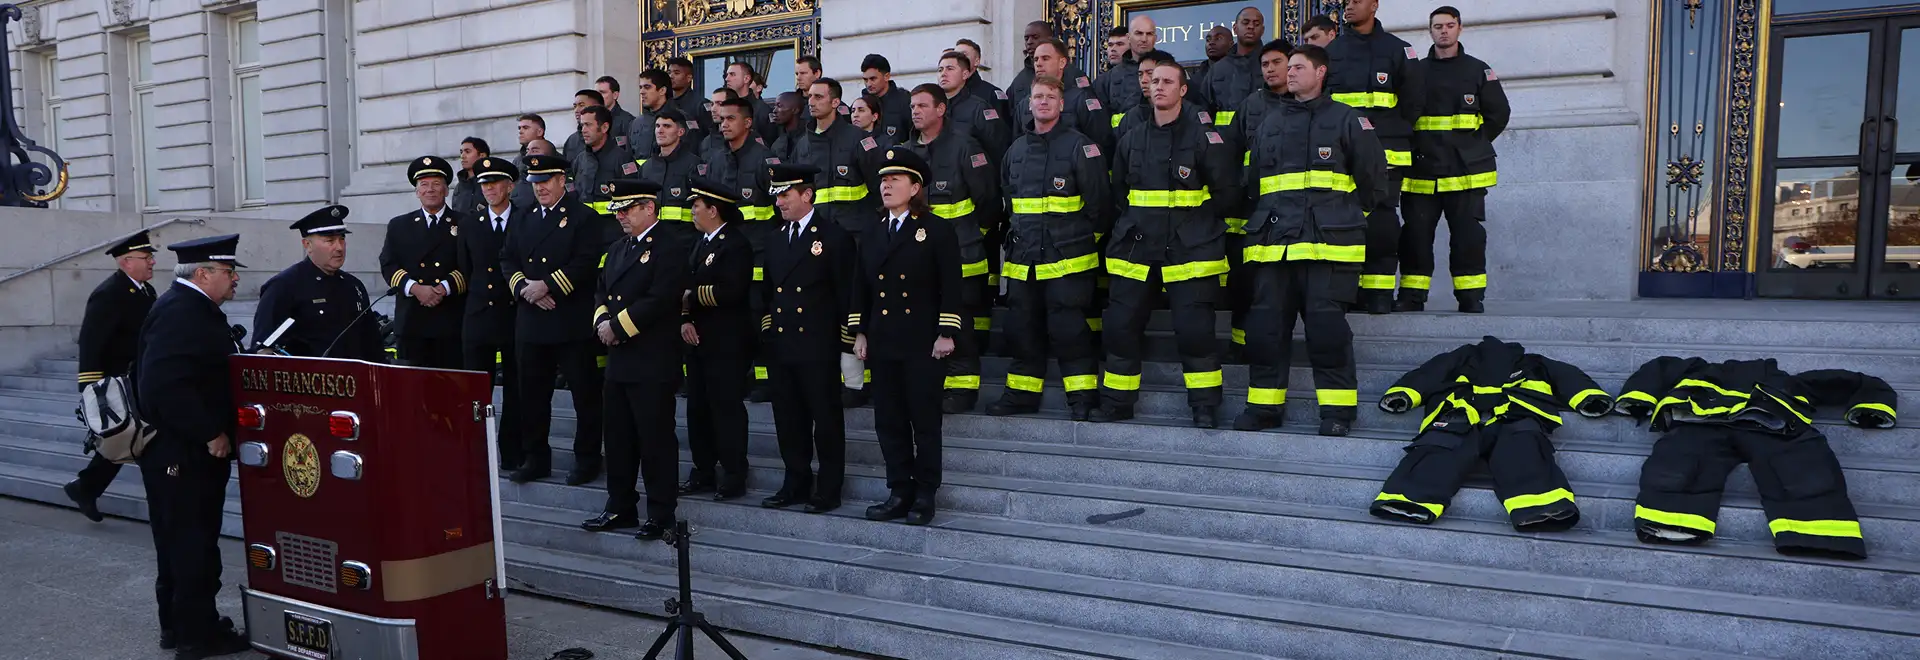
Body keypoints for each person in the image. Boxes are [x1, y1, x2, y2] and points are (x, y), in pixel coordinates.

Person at [1234, 44, 1387, 437]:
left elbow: (1373, 180)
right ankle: (1264, 408)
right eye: (1289, 68)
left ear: (1320, 73)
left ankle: (1337, 413)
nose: (1290, 73)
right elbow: (1255, 182)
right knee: (1266, 330)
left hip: (1328, 248)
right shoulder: (1268, 121)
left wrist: (1345, 220)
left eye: (1298, 67)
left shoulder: (1347, 119)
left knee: (1326, 331)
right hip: (1273, 246)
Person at [1092, 59, 1239, 429]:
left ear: (1183, 89)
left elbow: (1226, 194)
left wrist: (1198, 229)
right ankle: (1117, 402)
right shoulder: (1131, 138)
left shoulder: (1206, 138)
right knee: (1121, 327)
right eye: (1153, 80)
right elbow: (1121, 192)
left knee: (1195, 332)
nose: (1158, 87)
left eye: (1167, 81)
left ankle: (1204, 406)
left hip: (1191, 250)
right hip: (1136, 248)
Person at [136, 234, 249, 658]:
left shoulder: (189, 307)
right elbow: (163, 386)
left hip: (180, 450)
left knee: (181, 542)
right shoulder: (183, 311)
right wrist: (210, 432)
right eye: (227, 272)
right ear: (202, 274)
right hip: (183, 453)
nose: (234, 279)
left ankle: (180, 626)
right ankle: (196, 636)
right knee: (191, 545)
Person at [849, 148, 962, 526]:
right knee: (889, 421)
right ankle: (899, 489)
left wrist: (946, 331)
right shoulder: (874, 230)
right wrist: (860, 330)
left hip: (921, 340)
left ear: (915, 187)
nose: (886, 185)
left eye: (895, 180)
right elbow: (861, 285)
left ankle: (925, 492)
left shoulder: (936, 229)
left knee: (924, 422)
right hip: (883, 340)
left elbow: (952, 286)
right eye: (883, 180)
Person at [989, 75, 1109, 421]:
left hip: (1068, 262)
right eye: (1037, 96)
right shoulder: (1016, 151)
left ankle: (1083, 397)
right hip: (1024, 261)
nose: (1042, 102)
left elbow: (1099, 206)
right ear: (1029, 103)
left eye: (1050, 97)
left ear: (1061, 104)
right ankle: (1021, 396)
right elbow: (1008, 202)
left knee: (1069, 332)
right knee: (1021, 330)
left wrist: (1080, 242)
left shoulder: (1080, 147)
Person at [583, 179, 693, 540]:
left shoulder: (670, 246)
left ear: (649, 207)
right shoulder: (618, 248)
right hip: (619, 359)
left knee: (655, 439)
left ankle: (660, 512)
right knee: (617, 437)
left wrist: (618, 326)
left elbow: (661, 298)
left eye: (627, 209)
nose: (621, 216)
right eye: (617, 209)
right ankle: (620, 505)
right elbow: (602, 289)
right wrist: (602, 321)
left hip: (651, 358)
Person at [1396, 6, 1509, 314]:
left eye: (1449, 25)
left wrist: (1474, 146)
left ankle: (1471, 298)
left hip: (1466, 172)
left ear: (1460, 28)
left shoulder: (1478, 70)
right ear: (1429, 31)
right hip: (1422, 169)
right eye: (1437, 26)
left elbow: (1499, 114)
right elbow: (1402, 115)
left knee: (1468, 238)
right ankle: (1411, 296)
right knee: (1415, 237)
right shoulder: (1414, 72)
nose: (1443, 31)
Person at [503, 154, 607, 485]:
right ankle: (536, 457)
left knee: (585, 396)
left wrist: (547, 285)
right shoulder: (522, 217)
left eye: (546, 180)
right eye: (535, 182)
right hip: (532, 319)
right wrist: (524, 288)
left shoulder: (583, 216)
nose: (540, 188)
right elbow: (507, 258)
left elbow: (587, 261)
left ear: (562, 180)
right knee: (532, 396)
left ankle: (588, 458)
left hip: (570, 320)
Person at [762, 163, 856, 512]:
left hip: (819, 344)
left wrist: (847, 345)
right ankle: (795, 480)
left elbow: (845, 294)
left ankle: (829, 487)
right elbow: (769, 293)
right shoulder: (774, 239)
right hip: (784, 344)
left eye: (786, 195)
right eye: (777, 196)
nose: (780, 203)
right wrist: (769, 332)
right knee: (788, 418)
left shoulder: (833, 237)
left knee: (825, 420)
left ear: (807, 194)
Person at [902, 82, 1001, 414]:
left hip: (963, 256)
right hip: (918, 261)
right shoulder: (905, 154)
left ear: (941, 109)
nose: (915, 111)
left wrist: (974, 234)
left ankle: (962, 390)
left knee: (961, 326)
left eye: (922, 105)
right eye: (912, 106)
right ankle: (932, 385)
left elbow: (987, 201)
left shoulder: (964, 147)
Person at [1328, 0, 1426, 313]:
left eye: (1357, 1)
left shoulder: (1400, 50)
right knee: (1343, 221)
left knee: (1383, 222)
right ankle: (1348, 291)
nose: (1349, 6)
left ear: (1374, 5)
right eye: (1346, 2)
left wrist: (1393, 130)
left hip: (1388, 149)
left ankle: (1380, 291)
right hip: (1341, 153)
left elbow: (1413, 102)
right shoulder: (1332, 51)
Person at [64, 231, 158, 523]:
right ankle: (87, 487)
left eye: (151, 256)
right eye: (146, 258)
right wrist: (92, 388)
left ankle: (85, 487)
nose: (152, 262)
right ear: (126, 262)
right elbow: (92, 342)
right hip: (118, 383)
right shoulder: (109, 294)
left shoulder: (145, 291)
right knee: (124, 437)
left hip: (140, 378)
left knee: (133, 438)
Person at [676, 178, 755, 501]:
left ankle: (734, 472)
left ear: (713, 209)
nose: (692, 211)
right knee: (698, 408)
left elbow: (732, 291)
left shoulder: (735, 244)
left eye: (697, 206)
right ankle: (703, 469)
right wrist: (684, 318)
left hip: (726, 340)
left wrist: (689, 298)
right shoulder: (700, 243)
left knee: (726, 408)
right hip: (697, 340)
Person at [700, 96, 780, 401]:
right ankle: (741, 374)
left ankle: (764, 379)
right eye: (721, 120)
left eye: (730, 119)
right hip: (725, 255)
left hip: (758, 254)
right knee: (730, 321)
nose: (723, 125)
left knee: (758, 317)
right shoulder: (717, 161)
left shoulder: (765, 160)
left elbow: (778, 210)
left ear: (748, 122)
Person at [459, 156, 527, 470]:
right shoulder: (470, 223)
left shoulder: (525, 220)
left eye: (495, 183)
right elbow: (465, 268)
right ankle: (476, 453)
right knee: (476, 391)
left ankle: (512, 452)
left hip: (515, 316)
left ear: (510, 186)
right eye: (484, 184)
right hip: (479, 316)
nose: (489, 189)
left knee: (516, 389)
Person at [254, 205, 383, 360]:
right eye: (330, 240)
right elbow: (264, 350)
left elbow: (372, 344)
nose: (339, 247)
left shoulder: (353, 286)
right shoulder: (284, 286)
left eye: (342, 239)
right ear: (307, 245)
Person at [379, 156, 468, 368]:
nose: (430, 189)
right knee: (412, 391)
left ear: (447, 190)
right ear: (417, 191)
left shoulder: (465, 223)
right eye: (424, 185)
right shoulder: (400, 225)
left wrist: (443, 288)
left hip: (451, 319)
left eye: (437, 184)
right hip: (412, 321)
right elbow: (388, 264)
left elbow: (471, 265)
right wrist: (416, 288)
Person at [1011, 39, 1112, 148]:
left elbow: (1102, 142)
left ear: (1062, 63)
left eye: (1045, 58)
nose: (1038, 64)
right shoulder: (1024, 104)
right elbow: (1017, 145)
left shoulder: (1082, 99)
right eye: (1035, 59)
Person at [636, 107, 704, 242]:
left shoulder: (694, 165)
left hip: (684, 242)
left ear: (680, 132)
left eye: (666, 126)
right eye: (657, 126)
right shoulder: (646, 168)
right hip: (652, 242)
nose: (660, 130)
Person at [934, 51, 1012, 165]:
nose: (943, 74)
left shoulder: (979, 108)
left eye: (950, 69)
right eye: (940, 70)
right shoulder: (933, 108)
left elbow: (999, 148)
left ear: (965, 74)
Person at [569, 105, 637, 218]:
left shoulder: (623, 159)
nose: (583, 130)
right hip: (583, 226)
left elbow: (631, 198)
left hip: (612, 229)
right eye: (582, 125)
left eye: (588, 125)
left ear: (605, 127)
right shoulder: (580, 159)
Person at [1006, 21, 1089, 109]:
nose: (1029, 42)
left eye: (1035, 37)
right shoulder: (1019, 80)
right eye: (1027, 39)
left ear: (1049, 38)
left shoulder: (1074, 75)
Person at [1096, 15, 1156, 121]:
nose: (1144, 39)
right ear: (1129, 37)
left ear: (1155, 38)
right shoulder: (1107, 79)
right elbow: (1097, 120)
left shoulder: (1170, 69)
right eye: (1139, 33)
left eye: (1149, 34)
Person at [952, 38, 1011, 119]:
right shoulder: (944, 91)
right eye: (954, 55)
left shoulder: (992, 94)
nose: (958, 59)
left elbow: (1001, 129)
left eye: (963, 55)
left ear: (977, 61)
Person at [860, 54, 913, 142]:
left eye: (873, 79)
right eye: (865, 80)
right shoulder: (861, 104)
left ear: (886, 77)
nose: (868, 84)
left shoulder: (905, 101)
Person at [453, 137, 490, 215]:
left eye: (467, 152)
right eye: (461, 152)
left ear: (482, 155)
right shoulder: (459, 188)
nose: (462, 156)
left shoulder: (491, 183)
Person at [596, 74, 636, 141]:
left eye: (602, 92)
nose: (598, 97)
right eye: (596, 93)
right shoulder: (592, 119)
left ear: (615, 95)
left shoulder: (628, 121)